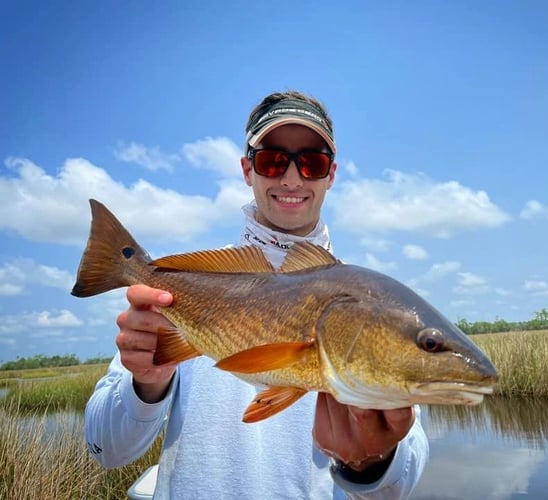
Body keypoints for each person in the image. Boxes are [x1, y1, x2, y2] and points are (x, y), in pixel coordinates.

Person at [85, 90, 429, 499]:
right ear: (248, 169)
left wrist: (372, 459)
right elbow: (104, 449)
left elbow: (400, 487)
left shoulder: (368, 305)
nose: (291, 177)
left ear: (331, 174)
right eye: (272, 160)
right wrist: (146, 382)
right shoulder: (179, 297)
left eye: (312, 162)